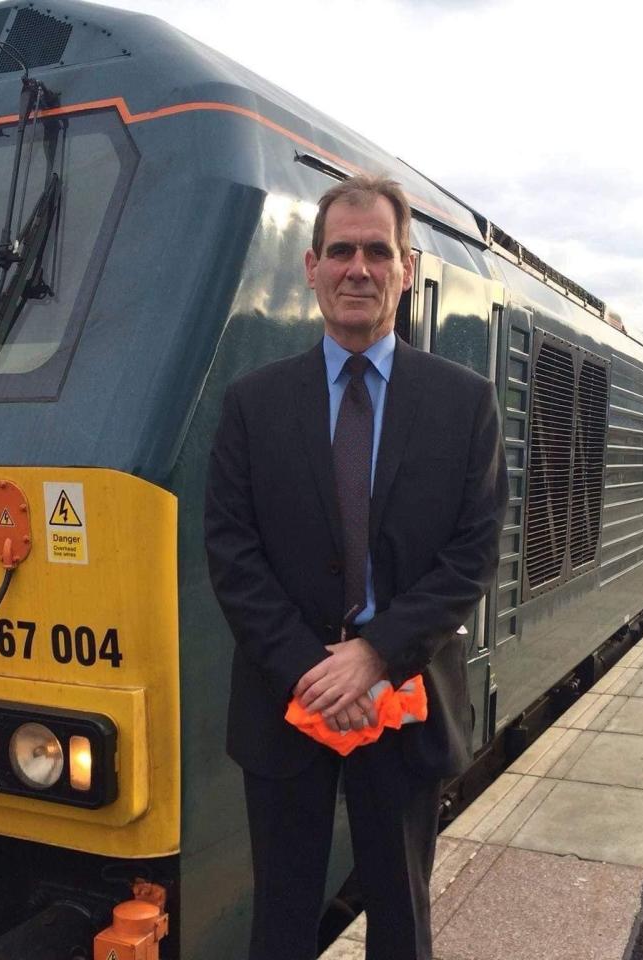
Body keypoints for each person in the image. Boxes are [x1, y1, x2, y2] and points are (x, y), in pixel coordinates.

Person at [204, 176, 508, 960]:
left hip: (406, 702)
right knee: (280, 919)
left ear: (406, 268)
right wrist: (314, 671)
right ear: (311, 267)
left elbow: (471, 553)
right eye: (341, 251)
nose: (358, 269)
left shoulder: (463, 404)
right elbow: (233, 553)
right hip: (287, 703)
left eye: (378, 252)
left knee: (401, 922)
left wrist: (375, 656)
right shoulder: (252, 404)